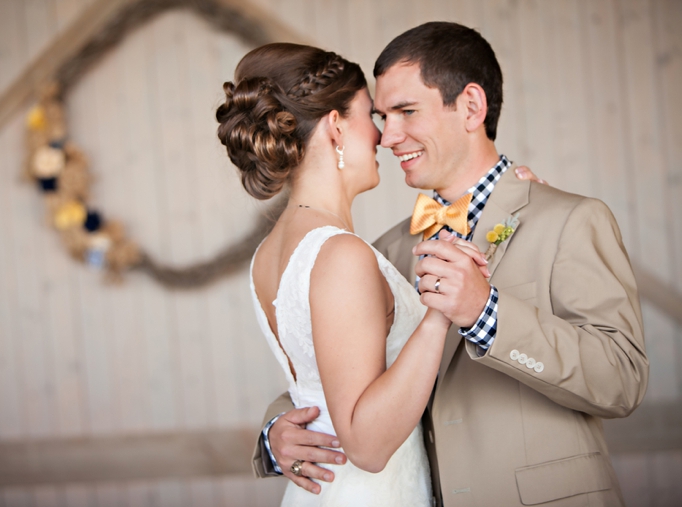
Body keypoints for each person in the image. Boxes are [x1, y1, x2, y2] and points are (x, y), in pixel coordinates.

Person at [254, 22, 648, 507]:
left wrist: (489, 313)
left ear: (471, 106)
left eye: (405, 112)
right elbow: (333, 373)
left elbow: (623, 380)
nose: (387, 136)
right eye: (380, 115)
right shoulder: (384, 252)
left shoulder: (569, 220)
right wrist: (276, 434)